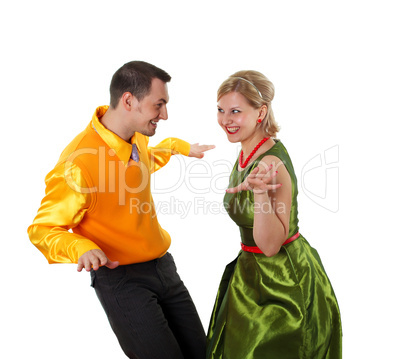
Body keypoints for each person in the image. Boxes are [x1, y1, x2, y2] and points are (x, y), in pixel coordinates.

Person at [28, 61, 213, 359]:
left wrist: (179, 147)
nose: (164, 115)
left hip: (164, 267)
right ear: (129, 100)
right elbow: (42, 230)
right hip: (124, 281)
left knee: (204, 353)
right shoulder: (77, 164)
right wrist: (81, 247)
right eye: (159, 105)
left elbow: (144, 161)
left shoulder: (137, 136)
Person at [206, 71, 342, 358]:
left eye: (235, 111)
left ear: (261, 112)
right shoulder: (248, 150)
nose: (226, 120)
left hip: (282, 282)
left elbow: (269, 246)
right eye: (220, 110)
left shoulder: (269, 162)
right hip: (251, 275)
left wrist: (259, 195)